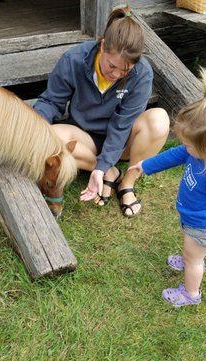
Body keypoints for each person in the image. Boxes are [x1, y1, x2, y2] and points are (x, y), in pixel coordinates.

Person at [33, 5, 170, 217]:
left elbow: (121, 125)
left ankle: (127, 183)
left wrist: (102, 163)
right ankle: (110, 172)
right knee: (51, 138)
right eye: (112, 66)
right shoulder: (74, 59)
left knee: (159, 119)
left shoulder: (142, 73)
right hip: (86, 137)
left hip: (122, 141)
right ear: (103, 45)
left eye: (125, 70)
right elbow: (52, 101)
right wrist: (34, 125)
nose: (116, 74)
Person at [128, 68, 206, 308]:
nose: (185, 147)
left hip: (205, 226)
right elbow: (177, 154)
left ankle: (190, 294)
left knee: (195, 259)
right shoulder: (200, 152)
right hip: (193, 218)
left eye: (189, 145)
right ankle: (190, 256)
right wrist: (148, 165)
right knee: (191, 250)